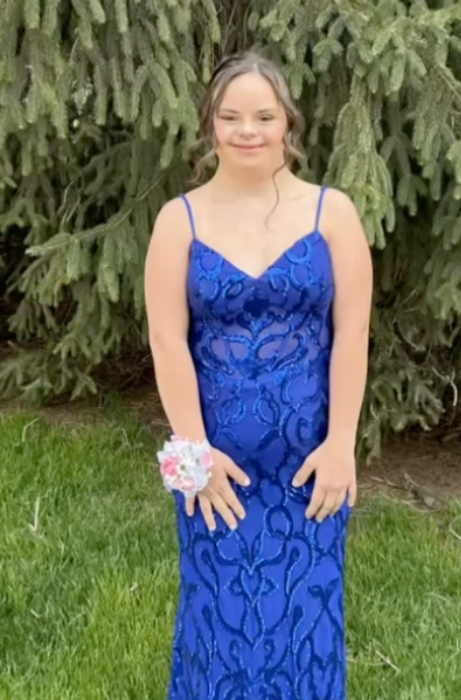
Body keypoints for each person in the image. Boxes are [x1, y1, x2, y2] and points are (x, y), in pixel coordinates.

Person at [144, 52, 372, 698]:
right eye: (231, 116)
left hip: (310, 468)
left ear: (286, 123)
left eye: (264, 116)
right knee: (217, 620)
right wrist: (194, 451)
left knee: (306, 618)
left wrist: (340, 445)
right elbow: (167, 340)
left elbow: (351, 335)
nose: (248, 130)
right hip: (217, 469)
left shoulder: (333, 213)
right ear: (210, 124)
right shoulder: (177, 220)